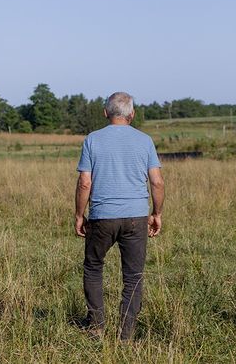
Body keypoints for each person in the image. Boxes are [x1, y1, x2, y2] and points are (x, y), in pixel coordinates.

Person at [74, 91, 165, 341]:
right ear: (132, 115)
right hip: (136, 217)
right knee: (133, 276)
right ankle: (125, 335)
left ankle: (96, 326)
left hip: (102, 216)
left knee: (93, 268)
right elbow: (157, 182)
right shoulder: (145, 140)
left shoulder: (92, 140)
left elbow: (84, 183)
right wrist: (156, 213)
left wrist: (79, 215)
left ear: (105, 113)